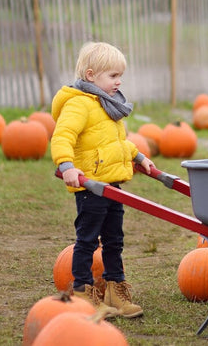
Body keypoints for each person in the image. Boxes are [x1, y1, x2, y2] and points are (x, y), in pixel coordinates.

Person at [51, 41, 154, 318]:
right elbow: (62, 136)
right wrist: (67, 165)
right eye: (113, 76)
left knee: (114, 240)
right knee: (87, 241)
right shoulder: (78, 104)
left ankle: (114, 289)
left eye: (120, 75)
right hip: (90, 186)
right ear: (91, 75)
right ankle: (83, 291)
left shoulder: (108, 105)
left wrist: (138, 156)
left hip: (112, 186)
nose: (119, 81)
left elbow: (117, 142)